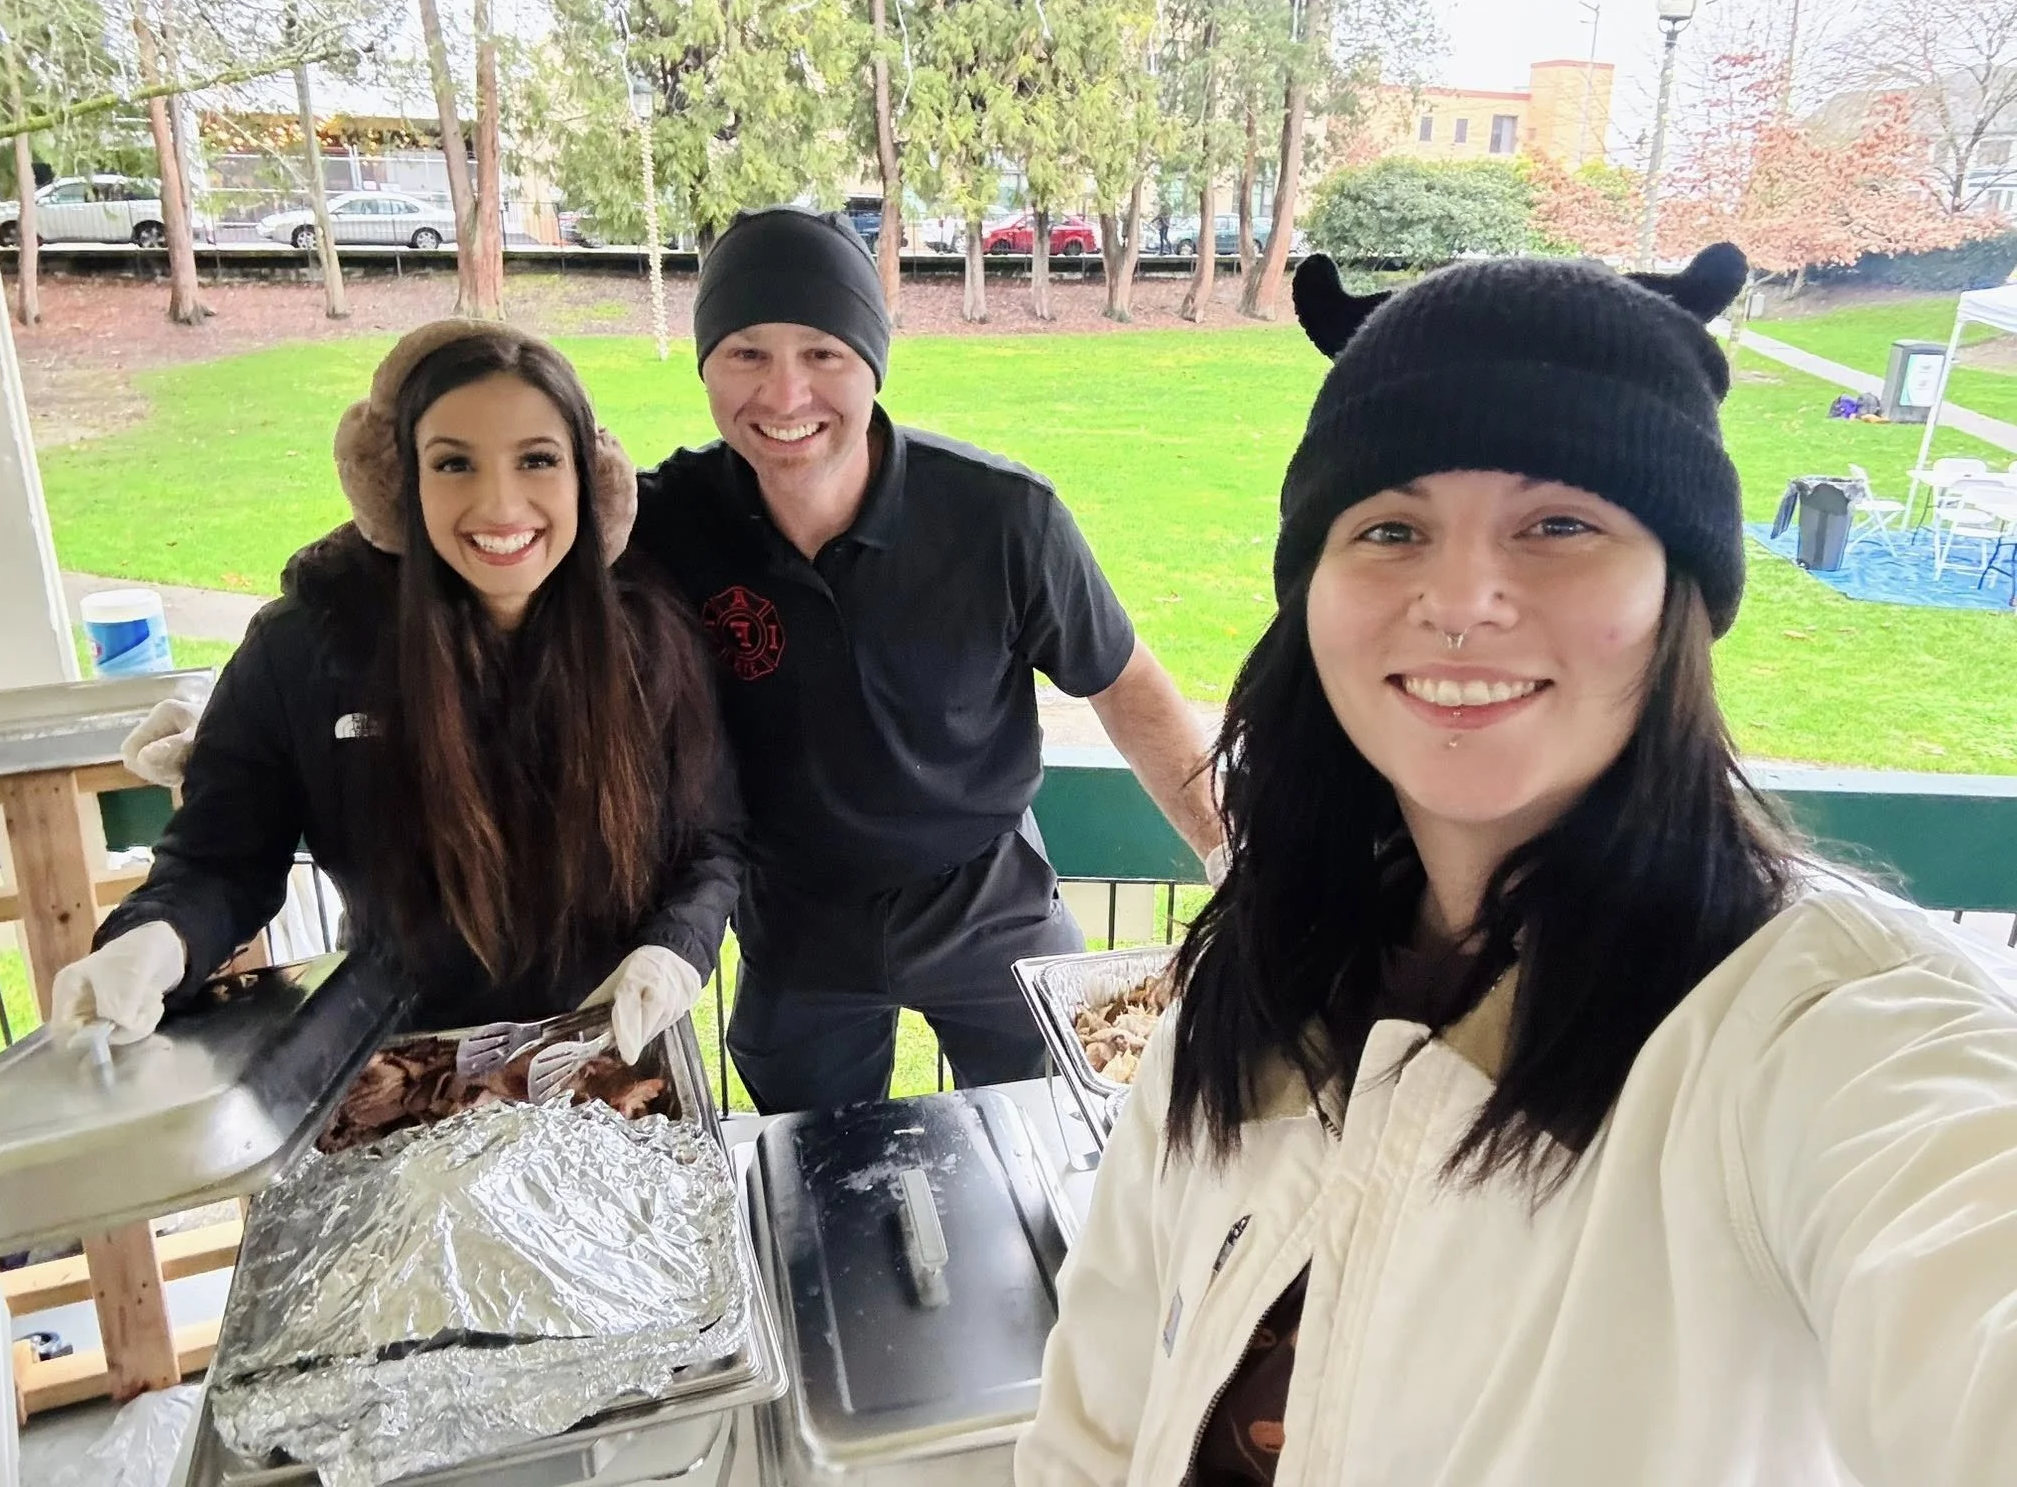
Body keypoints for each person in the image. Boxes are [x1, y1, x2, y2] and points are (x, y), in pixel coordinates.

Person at [1016, 246, 2017, 1486]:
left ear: (1679, 594)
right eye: (1390, 526)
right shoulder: (1255, 989)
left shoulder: (1823, 1029)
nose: (1461, 597)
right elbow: (1095, 1421)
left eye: (1558, 524)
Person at [634, 206, 1223, 1114]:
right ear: (706, 362)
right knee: (812, 1160)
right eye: (747, 353)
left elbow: (1125, 682)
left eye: (823, 354)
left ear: (871, 358)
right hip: (792, 914)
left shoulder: (1003, 519)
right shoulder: (665, 524)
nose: (786, 397)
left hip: (986, 897)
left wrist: (1228, 854)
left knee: (1066, 1126)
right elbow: (517, 550)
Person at [50, 322, 739, 1061]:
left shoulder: (649, 640)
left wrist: (674, 951)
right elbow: (221, 861)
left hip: (612, 1048)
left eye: (537, 460)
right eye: (453, 465)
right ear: (398, 482)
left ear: (587, 477)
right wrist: (155, 939)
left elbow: (710, 839)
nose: (502, 505)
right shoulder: (305, 648)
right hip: (392, 1056)